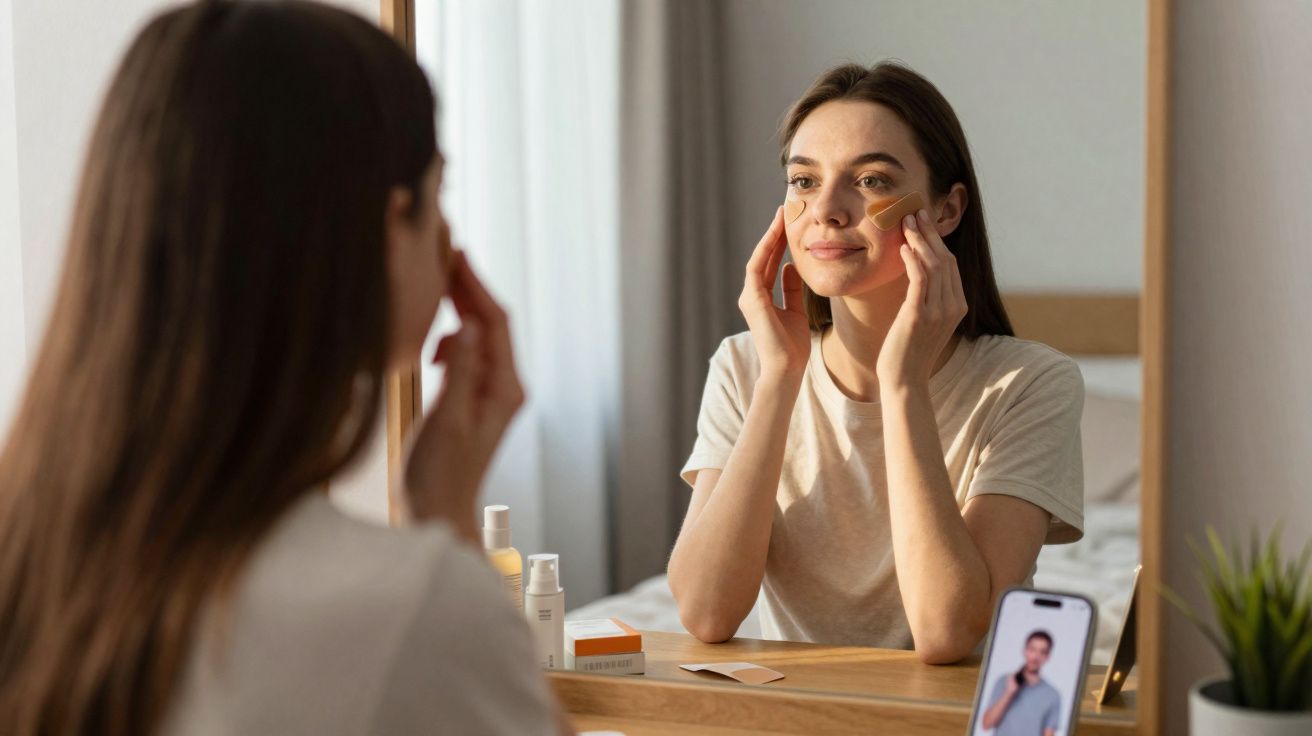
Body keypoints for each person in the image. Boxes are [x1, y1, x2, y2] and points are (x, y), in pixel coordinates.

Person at [0, 2, 567, 734]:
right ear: (385, 234)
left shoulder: (29, 560)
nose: (451, 238)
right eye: (439, 194)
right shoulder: (406, 613)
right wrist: (448, 527)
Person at [668, 62, 1084, 663]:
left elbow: (947, 633)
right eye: (803, 182)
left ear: (945, 210)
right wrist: (780, 377)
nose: (828, 211)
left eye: (870, 181)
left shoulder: (1029, 384)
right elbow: (706, 612)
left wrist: (904, 386)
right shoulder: (745, 364)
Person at [981, 631, 1062, 736]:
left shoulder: (1052, 695)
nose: (1035, 656)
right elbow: (986, 724)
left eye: (1042, 652)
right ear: (1025, 651)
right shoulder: (1003, 681)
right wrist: (1009, 693)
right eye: (1032, 649)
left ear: (1047, 657)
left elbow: (1049, 733)